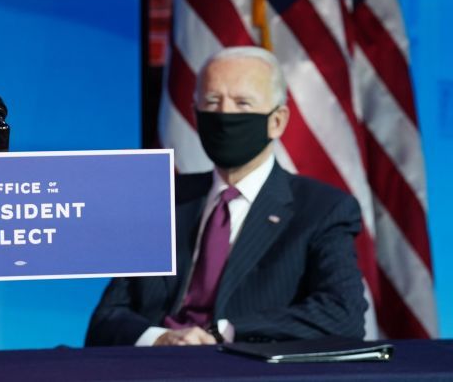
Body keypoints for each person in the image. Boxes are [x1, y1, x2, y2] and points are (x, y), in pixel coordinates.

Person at [85, 46, 367, 347]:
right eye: (213, 101)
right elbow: (107, 318)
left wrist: (224, 332)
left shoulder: (322, 209)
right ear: (195, 114)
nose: (224, 115)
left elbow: (342, 314)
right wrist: (162, 338)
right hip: (155, 370)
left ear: (277, 121)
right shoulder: (162, 199)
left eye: (242, 104)